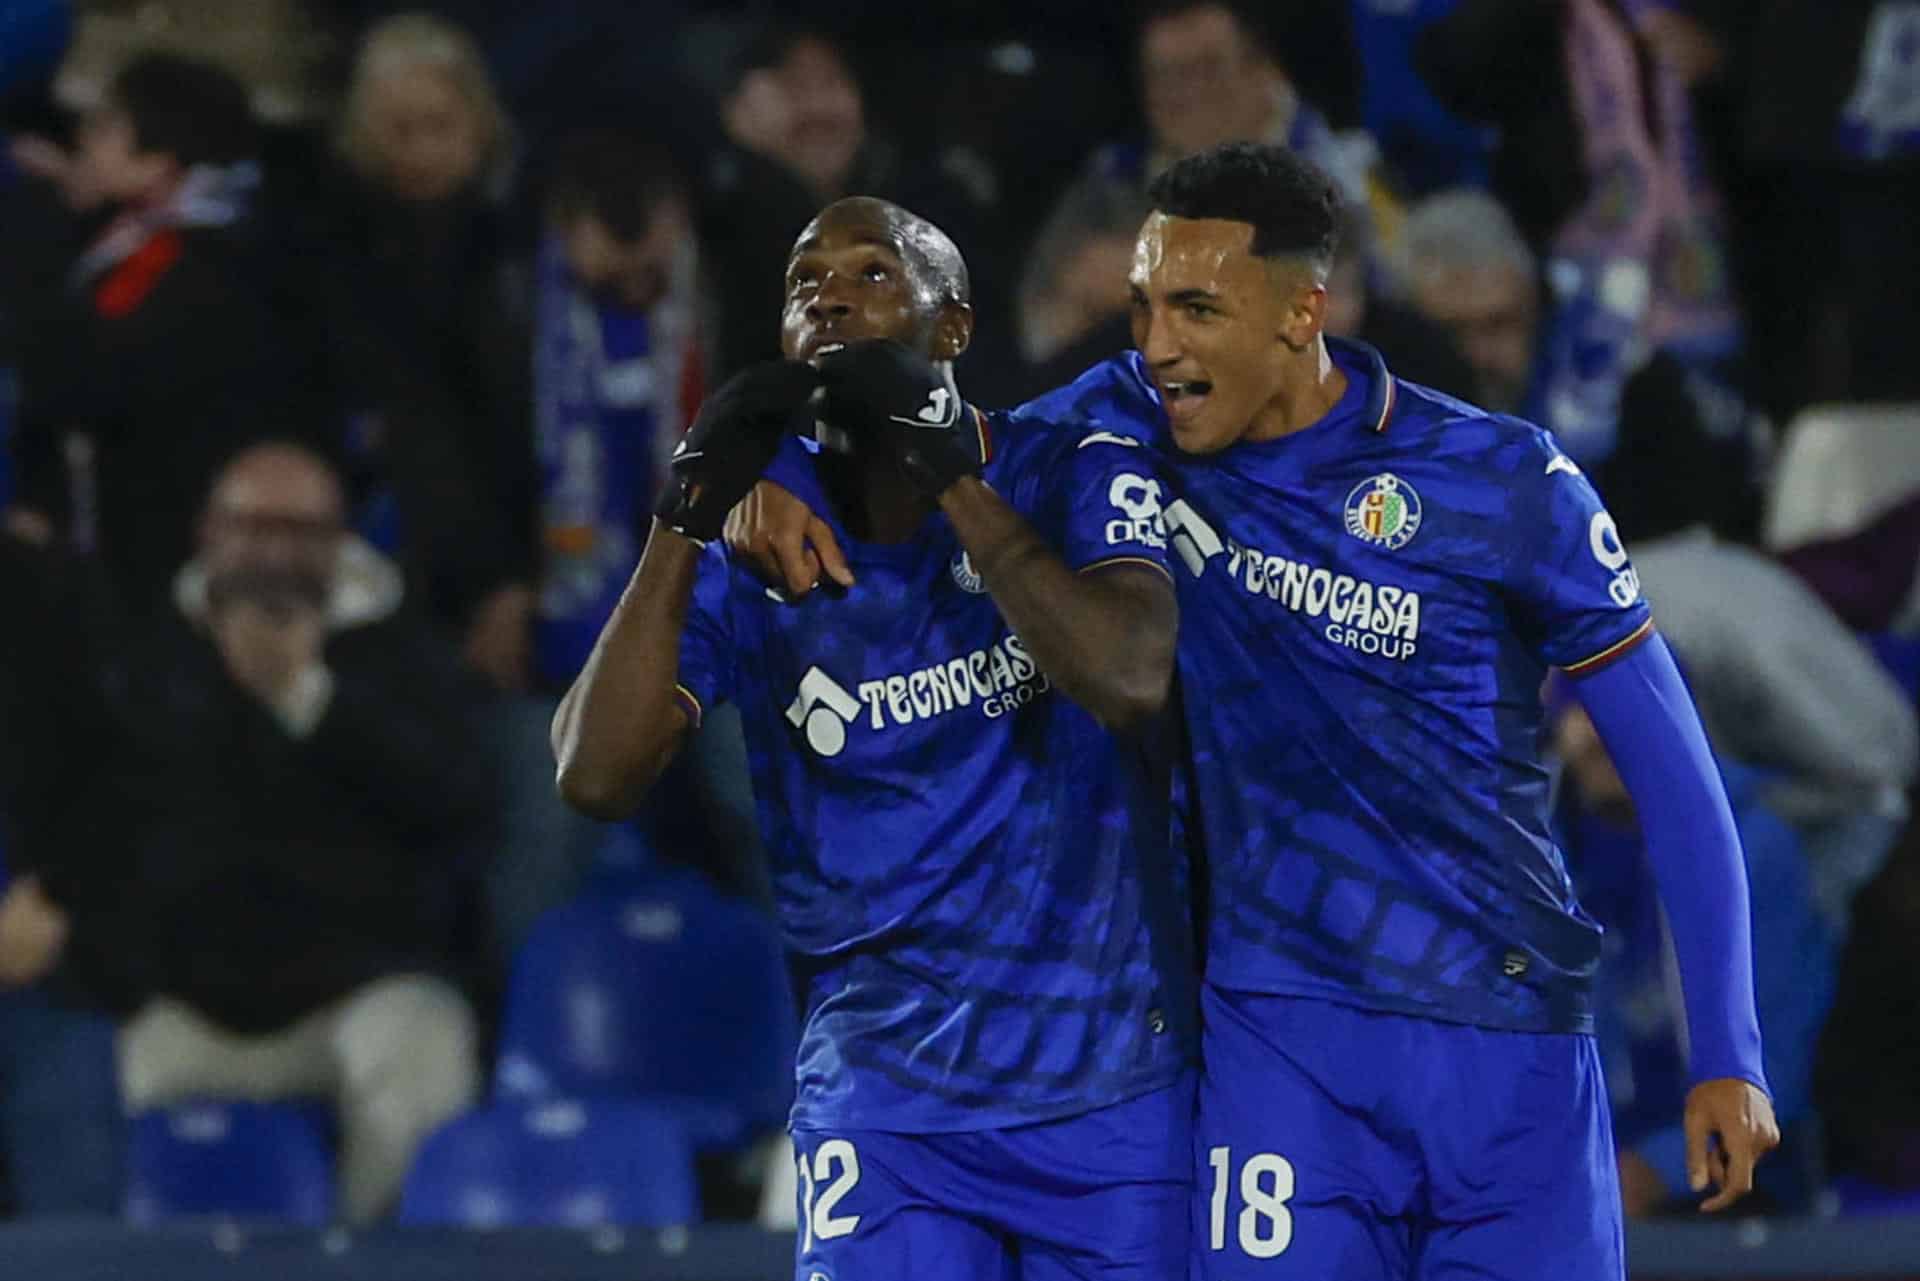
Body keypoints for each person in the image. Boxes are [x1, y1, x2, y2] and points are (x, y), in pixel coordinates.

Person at [731, 143, 1778, 1279]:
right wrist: (774, 471)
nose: (1156, 347)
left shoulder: (1503, 480)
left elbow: (1674, 775)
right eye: (1141, 308)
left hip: (1509, 1056)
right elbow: (942, 442)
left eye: (1195, 308)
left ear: (1300, 312)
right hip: (1284, 1054)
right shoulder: (1128, 433)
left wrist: (1727, 1050)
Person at [553, 196, 1194, 1280]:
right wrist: (687, 510)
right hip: (884, 1103)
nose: (832, 295)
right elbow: (595, 772)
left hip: (1104, 1093)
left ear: (953, 330)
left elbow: (1130, 677)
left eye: (874, 274)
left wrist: (948, 476)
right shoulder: (758, 540)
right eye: (807, 283)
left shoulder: (1062, 465)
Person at [113, 441, 485, 1223]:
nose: (274, 551)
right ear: (209, 532)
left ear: (341, 538)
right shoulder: (152, 659)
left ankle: (373, 1267)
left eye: (300, 529)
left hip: (360, 991)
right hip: (187, 1002)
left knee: (422, 1049)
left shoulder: (402, 648)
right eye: (251, 526)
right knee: (83, 1073)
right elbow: (128, 827)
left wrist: (307, 696)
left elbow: (452, 801)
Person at [7, 51, 292, 612]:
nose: (86, 140)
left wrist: (44, 218)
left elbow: (72, 377)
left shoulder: (197, 261)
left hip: (158, 564)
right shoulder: (135, 238)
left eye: (108, 126)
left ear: (159, 161)